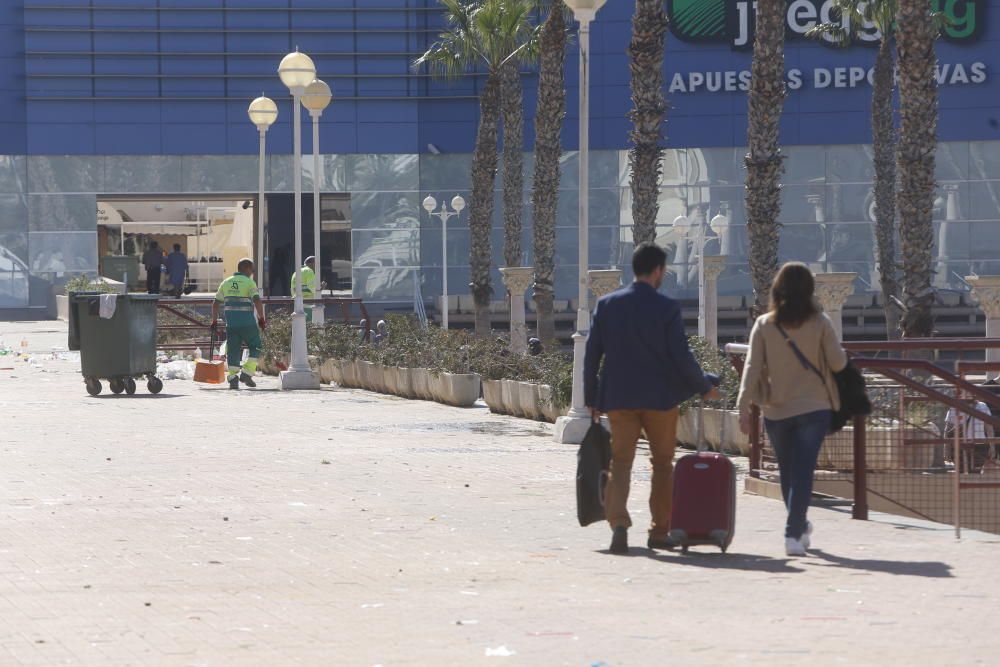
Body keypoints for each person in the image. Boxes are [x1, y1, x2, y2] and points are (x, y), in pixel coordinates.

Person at [584, 242, 720, 555]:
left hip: (619, 397)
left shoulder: (607, 305)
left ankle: (618, 522)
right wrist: (702, 386)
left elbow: (592, 356)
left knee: (620, 463)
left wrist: (592, 396)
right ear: (658, 270)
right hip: (660, 400)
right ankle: (660, 531)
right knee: (662, 464)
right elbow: (681, 357)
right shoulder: (666, 308)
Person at [736, 262, 848, 557]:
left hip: (776, 409)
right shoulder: (821, 322)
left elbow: (751, 367)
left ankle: (796, 527)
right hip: (814, 407)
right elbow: (838, 363)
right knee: (803, 470)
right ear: (810, 290)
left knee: (788, 471)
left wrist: (744, 406)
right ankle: (794, 530)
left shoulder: (764, 325)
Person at [211, 258, 266, 390]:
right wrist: (261, 318)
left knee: (233, 351)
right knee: (256, 346)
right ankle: (247, 373)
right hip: (248, 323)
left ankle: (233, 379)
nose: (252, 272)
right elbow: (257, 301)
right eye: (252, 270)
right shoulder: (249, 283)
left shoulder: (226, 282)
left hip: (232, 324)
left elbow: (215, 303)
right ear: (247, 269)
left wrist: (213, 321)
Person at [945, 398, 994, 472]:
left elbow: (989, 428)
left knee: (976, 473)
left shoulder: (982, 406)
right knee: (960, 473)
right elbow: (948, 430)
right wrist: (946, 449)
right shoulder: (954, 407)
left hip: (979, 446)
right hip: (959, 446)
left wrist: (992, 446)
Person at [291, 256, 327, 323]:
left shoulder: (296, 272)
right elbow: (313, 289)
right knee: (311, 327)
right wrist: (321, 287)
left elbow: (293, 289)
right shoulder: (309, 271)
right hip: (309, 304)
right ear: (313, 263)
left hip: (297, 305)